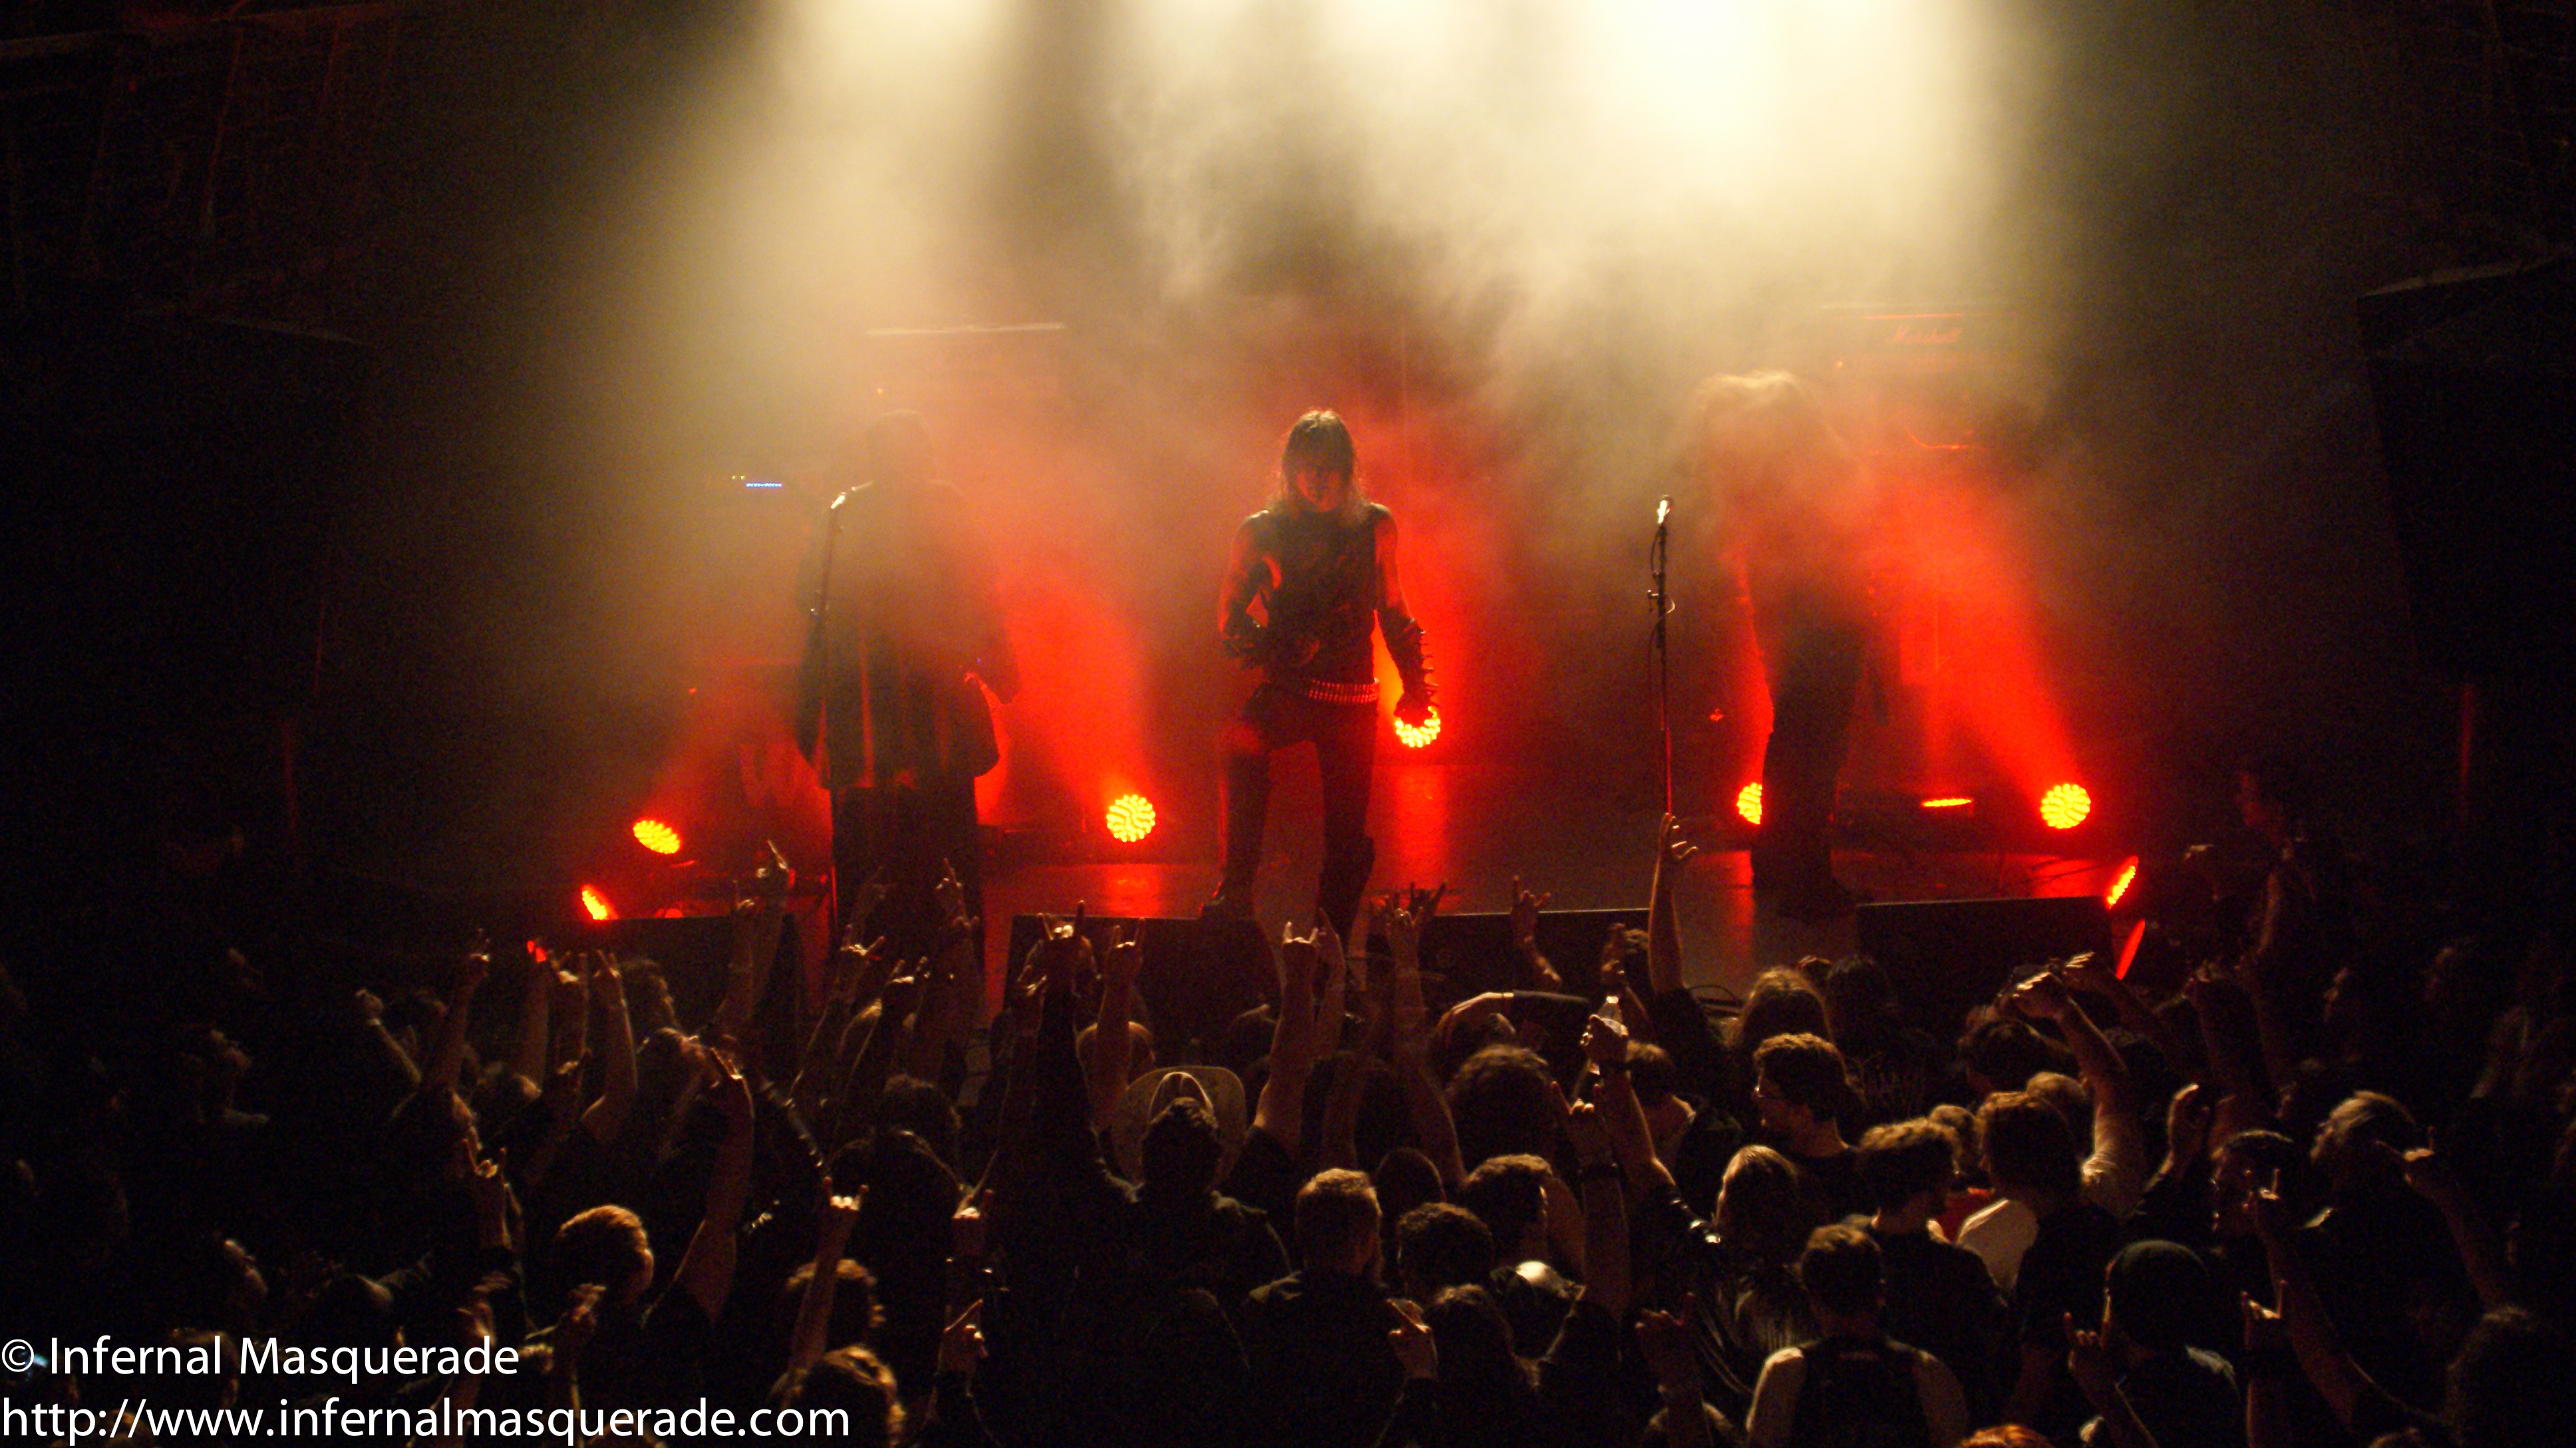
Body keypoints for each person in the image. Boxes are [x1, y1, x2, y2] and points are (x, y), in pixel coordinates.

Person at [798, 411, 1019, 954]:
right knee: (922, 852)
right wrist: (997, 662)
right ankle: (933, 963)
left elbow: (811, 602)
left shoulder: (858, 511)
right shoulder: (880, 511)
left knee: (898, 855)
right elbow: (981, 590)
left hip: (886, 715)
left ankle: (884, 965)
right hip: (889, 715)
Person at [1209, 410, 1434, 935]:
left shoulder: (1375, 527)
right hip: (1291, 689)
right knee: (1239, 746)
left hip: (1351, 698)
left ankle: (1329, 937)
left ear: (1347, 469)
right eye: (1308, 466)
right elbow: (1227, 617)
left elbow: (1393, 606)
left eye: (1328, 466)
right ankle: (1236, 889)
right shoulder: (1262, 532)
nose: (1318, 478)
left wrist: (1415, 686)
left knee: (1347, 834)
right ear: (1290, 469)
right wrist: (1275, 646)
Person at [1686, 371, 1879, 922]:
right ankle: (1807, 879)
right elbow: (1840, 541)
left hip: (1789, 620)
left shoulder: (1753, 477)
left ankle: (1777, 865)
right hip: (1823, 619)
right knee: (1814, 752)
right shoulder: (1804, 475)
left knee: (1793, 743)